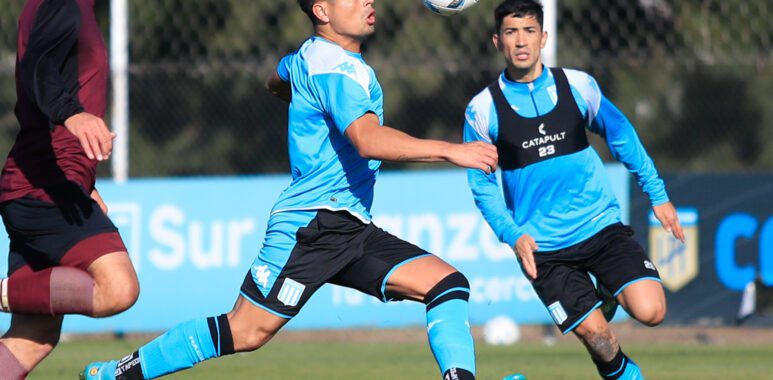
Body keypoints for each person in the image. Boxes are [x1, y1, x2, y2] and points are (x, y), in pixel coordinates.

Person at [81, 0, 497, 379]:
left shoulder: (309, 55)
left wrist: (304, 103)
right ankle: (116, 375)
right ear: (322, 11)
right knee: (244, 331)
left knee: (447, 284)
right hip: (311, 226)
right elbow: (368, 140)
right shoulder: (337, 69)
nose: (368, 1)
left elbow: (276, 79)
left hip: (350, 227)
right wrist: (451, 150)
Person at [464, 1, 685, 379]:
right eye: (512, 33)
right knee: (598, 338)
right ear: (497, 41)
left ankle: (607, 294)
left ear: (543, 37)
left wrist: (658, 194)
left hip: (600, 227)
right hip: (545, 248)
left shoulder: (578, 85)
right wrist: (513, 235)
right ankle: (628, 374)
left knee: (652, 312)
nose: (521, 41)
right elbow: (482, 186)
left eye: (529, 31)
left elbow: (622, 136)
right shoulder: (483, 109)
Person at [0, 0, 140, 378]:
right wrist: (71, 112)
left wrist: (84, 183)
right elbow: (37, 68)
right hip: (43, 187)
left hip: (46, 183)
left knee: (35, 334)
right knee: (118, 287)